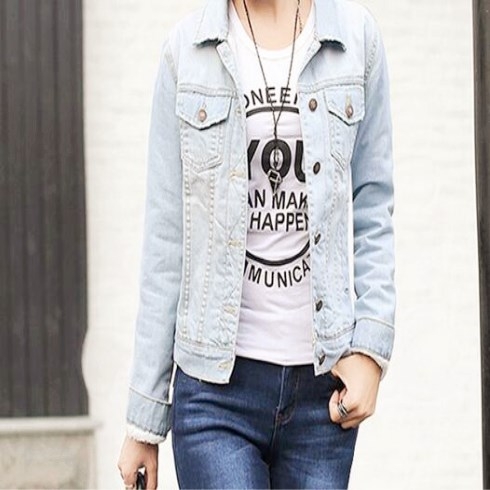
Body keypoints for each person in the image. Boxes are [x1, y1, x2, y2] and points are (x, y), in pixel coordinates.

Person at [117, 0, 396, 487]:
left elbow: (373, 204)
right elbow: (166, 241)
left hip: (322, 397)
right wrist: (145, 418)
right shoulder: (187, 52)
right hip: (214, 396)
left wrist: (370, 349)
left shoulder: (356, 40)